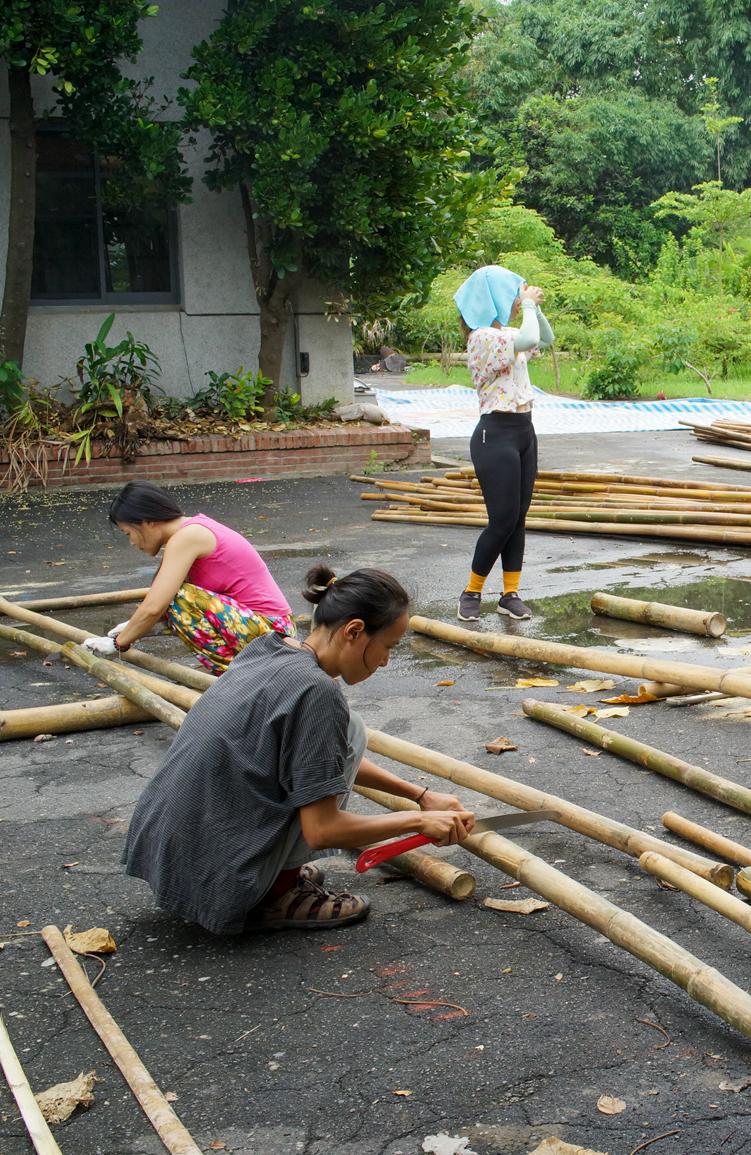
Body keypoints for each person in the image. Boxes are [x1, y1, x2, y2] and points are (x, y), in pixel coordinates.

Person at [123, 566, 476, 934]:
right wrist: (420, 822)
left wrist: (420, 796)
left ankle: (270, 870)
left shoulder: (267, 648)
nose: (386, 660)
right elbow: (323, 831)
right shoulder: (317, 692)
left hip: (171, 857)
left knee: (350, 729)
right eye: (387, 646)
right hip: (217, 882)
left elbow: (320, 760)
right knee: (347, 726)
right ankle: (275, 894)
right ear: (354, 631)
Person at [87, 480, 294, 673]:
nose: (131, 542)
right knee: (174, 597)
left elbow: (154, 607)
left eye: (128, 533)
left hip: (273, 635)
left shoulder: (187, 537)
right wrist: (131, 628)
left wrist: (117, 643)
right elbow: (155, 607)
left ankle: (236, 675)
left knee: (179, 597)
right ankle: (238, 673)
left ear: (147, 521)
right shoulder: (192, 530)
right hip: (268, 630)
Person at [452, 264, 554, 622]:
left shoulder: (508, 332)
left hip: (524, 430)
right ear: (492, 299)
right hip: (494, 435)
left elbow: (544, 338)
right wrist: (527, 308)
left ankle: (509, 594)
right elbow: (526, 339)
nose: (515, 301)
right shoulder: (482, 338)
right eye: (511, 295)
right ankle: (471, 591)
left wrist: (535, 308)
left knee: (518, 519)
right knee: (502, 519)